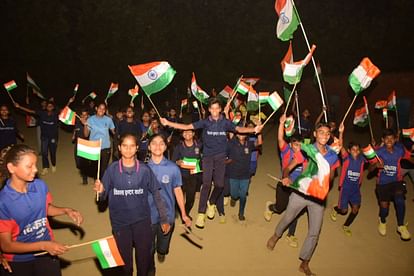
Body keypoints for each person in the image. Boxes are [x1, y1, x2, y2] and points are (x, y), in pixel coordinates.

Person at [160, 98, 263, 229]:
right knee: (207, 183)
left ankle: (211, 201)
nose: (214, 111)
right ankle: (201, 214)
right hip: (208, 157)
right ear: (209, 110)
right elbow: (186, 127)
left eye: (217, 108)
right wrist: (168, 122)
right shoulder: (205, 122)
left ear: (220, 109)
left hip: (220, 157)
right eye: (212, 108)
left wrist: (255, 129)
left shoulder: (225, 123)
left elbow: (239, 129)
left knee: (220, 185)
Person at [267, 122, 340, 276]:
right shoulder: (307, 150)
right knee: (288, 217)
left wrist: (326, 179)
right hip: (300, 193)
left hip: (318, 199)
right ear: (315, 134)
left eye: (327, 134)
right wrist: (286, 177)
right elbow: (288, 167)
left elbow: (332, 175)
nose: (324, 136)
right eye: (321, 132)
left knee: (314, 232)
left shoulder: (332, 155)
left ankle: (304, 263)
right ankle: (276, 235)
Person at [0, 144, 83, 276]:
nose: (35, 170)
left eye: (35, 165)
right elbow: (6, 245)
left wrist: (66, 210)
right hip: (19, 260)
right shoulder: (3, 202)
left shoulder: (39, 185)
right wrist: (43, 245)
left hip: (46, 252)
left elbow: (45, 209)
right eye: (29, 166)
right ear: (11, 168)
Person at [94, 134, 169, 276]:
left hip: (142, 222)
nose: (128, 149)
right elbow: (102, 198)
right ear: (119, 148)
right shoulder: (112, 170)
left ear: (137, 149)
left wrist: (164, 219)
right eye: (125, 146)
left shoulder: (145, 170)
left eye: (132, 146)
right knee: (125, 266)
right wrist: (101, 191)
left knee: (143, 263)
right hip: (120, 223)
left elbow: (157, 195)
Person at [146, 134, 191, 274]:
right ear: (148, 147)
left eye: (161, 143)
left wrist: (184, 214)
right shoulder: (142, 168)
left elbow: (177, 190)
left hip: (168, 214)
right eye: (154, 143)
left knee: (163, 246)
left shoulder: (173, 168)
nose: (157, 146)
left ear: (166, 147)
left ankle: (161, 251)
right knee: (148, 249)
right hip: (148, 216)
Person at [264, 114, 305, 248]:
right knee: (280, 208)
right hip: (284, 185)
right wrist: (281, 123)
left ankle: (290, 235)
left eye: (300, 145)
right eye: (295, 144)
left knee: (294, 212)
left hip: (298, 188)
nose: (297, 147)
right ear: (291, 143)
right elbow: (280, 138)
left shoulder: (306, 154)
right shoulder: (286, 150)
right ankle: (271, 207)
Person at [370, 128, 414, 241]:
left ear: (395, 139)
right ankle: (382, 220)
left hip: (397, 181)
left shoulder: (399, 149)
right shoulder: (378, 152)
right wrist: (376, 166)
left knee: (400, 200)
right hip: (383, 183)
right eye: (387, 138)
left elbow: (409, 157)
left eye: (391, 138)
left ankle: (401, 226)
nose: (389, 140)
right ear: (383, 140)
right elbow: (370, 169)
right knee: (384, 207)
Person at [15, 97, 74, 175]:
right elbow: (30, 111)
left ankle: (53, 165)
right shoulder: (41, 113)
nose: (49, 107)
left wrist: (69, 102)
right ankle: (45, 167)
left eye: (51, 106)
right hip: (44, 137)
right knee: (44, 152)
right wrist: (19, 107)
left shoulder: (56, 114)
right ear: (46, 107)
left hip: (53, 137)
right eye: (48, 106)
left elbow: (64, 109)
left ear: (53, 107)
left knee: (53, 152)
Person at [330, 123, 366, 236]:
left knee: (355, 209)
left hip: (355, 189)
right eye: (353, 149)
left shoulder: (362, 160)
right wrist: (341, 132)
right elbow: (340, 145)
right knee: (344, 210)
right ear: (349, 151)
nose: (356, 151)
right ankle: (336, 209)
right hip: (345, 188)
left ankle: (346, 226)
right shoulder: (346, 158)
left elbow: (373, 156)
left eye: (357, 150)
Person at [226, 131, 261, 221]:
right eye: (239, 133)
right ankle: (233, 198)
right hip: (233, 174)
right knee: (234, 194)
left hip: (245, 175)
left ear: (246, 135)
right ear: (236, 134)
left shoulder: (249, 144)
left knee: (243, 195)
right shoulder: (231, 143)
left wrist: (260, 132)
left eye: (243, 133)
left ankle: (241, 213)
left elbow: (259, 142)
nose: (241, 135)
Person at [172, 129, 202, 216]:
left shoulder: (199, 145)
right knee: (178, 197)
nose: (187, 134)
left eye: (189, 132)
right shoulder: (179, 147)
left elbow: (204, 158)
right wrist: (177, 162)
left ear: (193, 133)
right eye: (185, 132)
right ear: (182, 134)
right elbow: (173, 161)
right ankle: (181, 213)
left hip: (193, 177)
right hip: (180, 177)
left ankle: (185, 213)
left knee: (190, 199)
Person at [84, 102, 115, 179]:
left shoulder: (108, 120)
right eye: (100, 108)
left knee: (104, 168)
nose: (102, 110)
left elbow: (114, 132)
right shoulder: (90, 119)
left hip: (105, 147)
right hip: (94, 147)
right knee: (95, 167)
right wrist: (85, 124)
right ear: (96, 108)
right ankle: (96, 180)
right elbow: (86, 135)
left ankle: (102, 183)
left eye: (103, 109)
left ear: (105, 110)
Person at [72, 109, 90, 184]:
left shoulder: (89, 123)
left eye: (85, 115)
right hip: (78, 144)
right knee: (78, 162)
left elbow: (88, 134)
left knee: (83, 162)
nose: (83, 116)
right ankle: (83, 170)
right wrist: (73, 136)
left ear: (88, 116)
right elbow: (76, 130)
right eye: (82, 115)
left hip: (86, 145)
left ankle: (85, 178)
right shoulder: (78, 122)